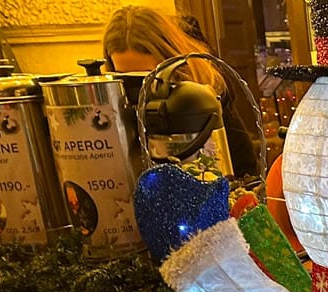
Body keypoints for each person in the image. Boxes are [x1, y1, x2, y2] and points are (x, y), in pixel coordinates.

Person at [101, 5, 258, 179]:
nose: (139, 89)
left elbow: (245, 168)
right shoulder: (114, 106)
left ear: (170, 61)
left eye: (147, 76)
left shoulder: (205, 91)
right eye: (126, 78)